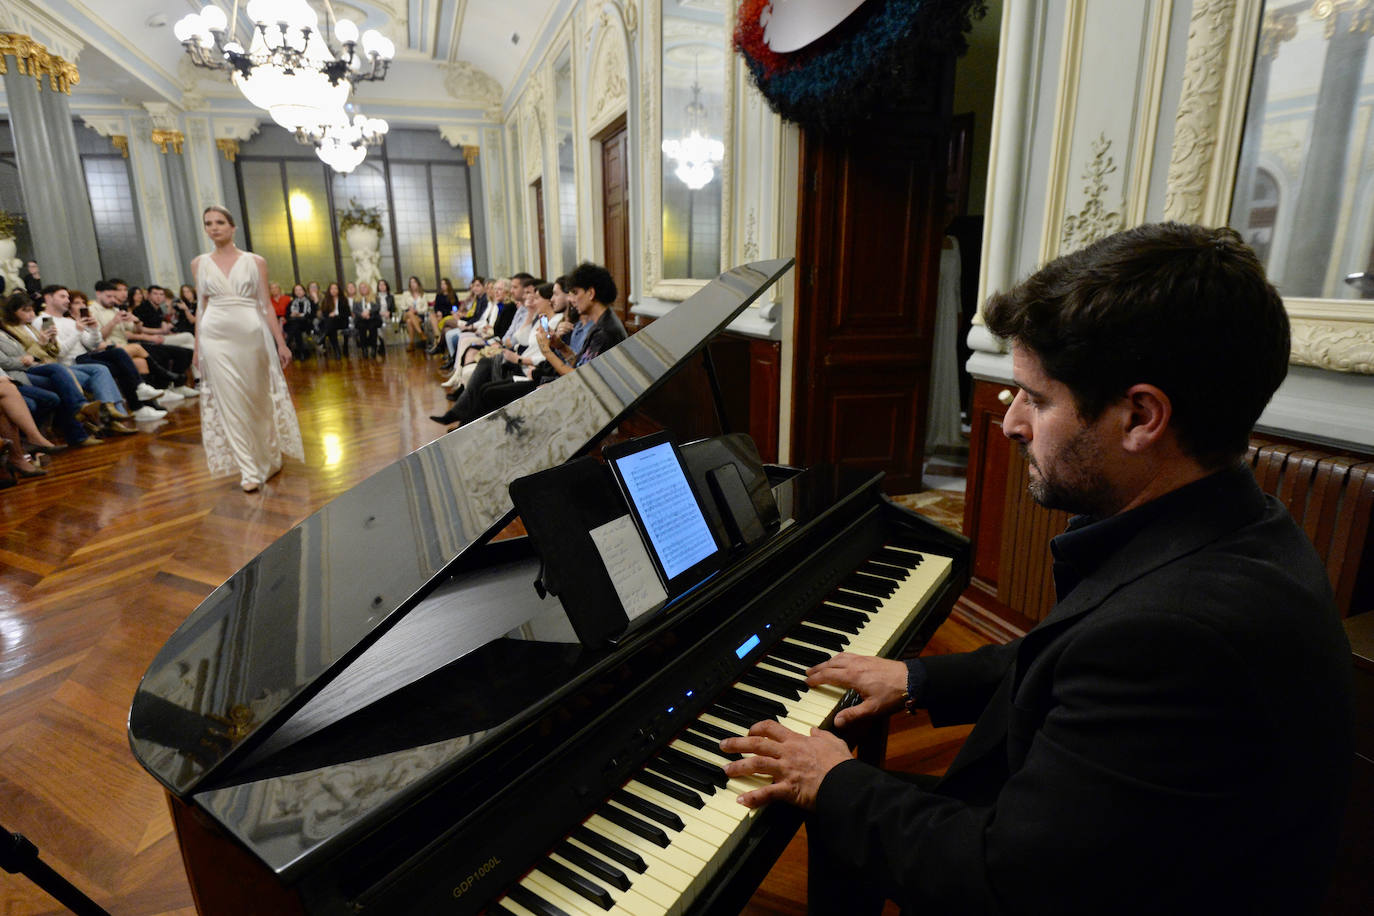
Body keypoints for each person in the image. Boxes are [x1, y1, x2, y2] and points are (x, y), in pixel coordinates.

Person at [719, 223, 1354, 915]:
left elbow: (1003, 886)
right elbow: (1074, 650)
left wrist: (834, 781)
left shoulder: (1174, 635)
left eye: (1036, 398)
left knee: (843, 808)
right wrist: (920, 676)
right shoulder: (1232, 522)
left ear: (1141, 416)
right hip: (1109, 854)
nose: (1010, 423)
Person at [192, 205, 303, 492]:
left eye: (219, 222)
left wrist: (280, 343)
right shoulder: (199, 264)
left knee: (257, 399)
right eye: (208, 223)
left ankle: (268, 457)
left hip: (251, 336)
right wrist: (197, 349)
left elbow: (266, 304)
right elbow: (201, 308)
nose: (214, 227)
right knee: (230, 401)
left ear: (232, 227)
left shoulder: (255, 261)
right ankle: (249, 469)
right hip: (214, 336)